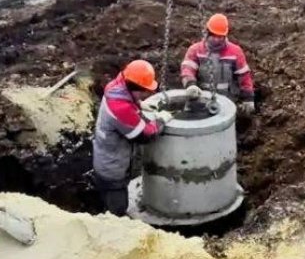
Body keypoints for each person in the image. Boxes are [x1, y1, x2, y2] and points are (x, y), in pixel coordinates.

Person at [92, 58, 166, 216]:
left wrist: (139, 104)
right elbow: (145, 135)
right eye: (144, 91)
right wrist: (161, 121)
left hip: (107, 157)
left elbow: (129, 100)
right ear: (136, 88)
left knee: (111, 198)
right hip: (112, 169)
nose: (147, 94)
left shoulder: (117, 84)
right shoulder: (121, 108)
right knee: (117, 209)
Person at [180, 13, 256, 115]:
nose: (216, 39)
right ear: (207, 33)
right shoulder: (195, 50)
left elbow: (244, 77)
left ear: (225, 35)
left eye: (220, 37)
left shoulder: (235, 52)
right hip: (200, 99)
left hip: (227, 102)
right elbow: (187, 70)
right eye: (214, 35)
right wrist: (190, 85)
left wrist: (248, 99)